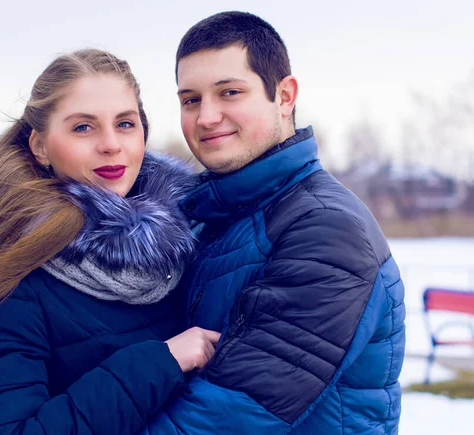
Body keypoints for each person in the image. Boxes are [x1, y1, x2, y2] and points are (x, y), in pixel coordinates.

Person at [0, 49, 222, 435]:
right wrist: (160, 363)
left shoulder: (188, 245)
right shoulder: (8, 281)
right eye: (83, 128)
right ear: (39, 146)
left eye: (125, 124)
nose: (110, 144)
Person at [145, 11, 405, 434]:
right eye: (190, 99)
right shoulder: (210, 219)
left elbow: (228, 417)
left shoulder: (327, 231)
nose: (205, 117)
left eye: (229, 92)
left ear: (284, 96)